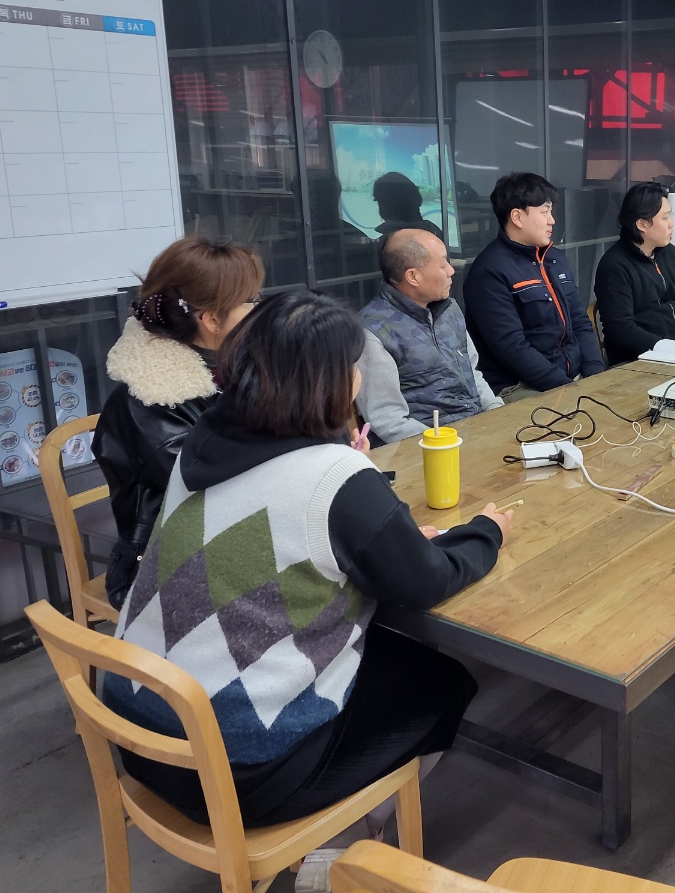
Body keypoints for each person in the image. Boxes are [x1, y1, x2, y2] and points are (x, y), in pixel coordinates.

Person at [100, 290, 511, 889]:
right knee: (444, 684)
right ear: (332, 381)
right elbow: (427, 581)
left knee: (389, 655)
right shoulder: (333, 475)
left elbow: (285, 531)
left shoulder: (200, 444)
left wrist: (383, 534)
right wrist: (486, 533)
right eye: (353, 365)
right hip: (239, 773)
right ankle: (339, 855)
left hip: (142, 735)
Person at [91, 237, 264, 609]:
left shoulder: (230, 366)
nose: (258, 310)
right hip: (165, 570)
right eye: (251, 301)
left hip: (241, 545)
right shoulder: (149, 399)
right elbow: (218, 489)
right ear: (212, 320)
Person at [462, 172, 604, 399]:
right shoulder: (489, 271)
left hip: (571, 378)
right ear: (517, 217)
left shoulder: (555, 259)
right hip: (520, 386)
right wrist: (569, 389)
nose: (552, 220)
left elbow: (579, 321)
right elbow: (511, 347)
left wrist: (596, 375)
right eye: (544, 212)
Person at [356, 228, 502, 443]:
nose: (451, 271)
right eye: (443, 265)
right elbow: (388, 419)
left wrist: (497, 413)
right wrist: (443, 444)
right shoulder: (373, 331)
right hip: (427, 445)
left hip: (477, 428)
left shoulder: (449, 309)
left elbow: (473, 373)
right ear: (413, 276)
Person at [592, 182, 675, 365]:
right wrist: (670, 350)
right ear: (642, 224)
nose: (672, 223)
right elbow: (621, 329)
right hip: (640, 361)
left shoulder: (670, 253)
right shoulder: (614, 266)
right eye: (665, 218)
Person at [372, 171, 443, 240]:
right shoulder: (437, 236)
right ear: (418, 199)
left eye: (378, 200)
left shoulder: (385, 241)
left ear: (384, 206)